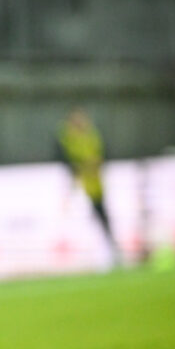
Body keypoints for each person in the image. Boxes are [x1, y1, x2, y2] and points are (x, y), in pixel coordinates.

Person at [56, 108, 119, 262]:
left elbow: (102, 153)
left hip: (93, 183)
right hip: (75, 182)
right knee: (77, 217)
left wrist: (96, 163)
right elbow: (63, 158)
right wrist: (79, 167)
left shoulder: (92, 135)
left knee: (100, 214)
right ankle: (86, 255)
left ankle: (109, 252)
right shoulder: (65, 138)